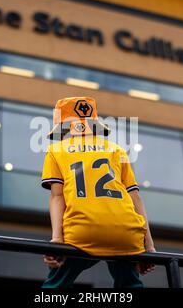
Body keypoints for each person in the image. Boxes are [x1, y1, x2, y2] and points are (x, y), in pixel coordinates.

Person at [40, 96, 156, 288]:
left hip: (82, 232)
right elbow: (135, 198)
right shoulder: (117, 150)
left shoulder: (56, 150)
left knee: (54, 287)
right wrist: (149, 246)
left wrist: (57, 239)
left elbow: (57, 196)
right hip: (126, 234)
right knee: (130, 285)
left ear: (64, 128)